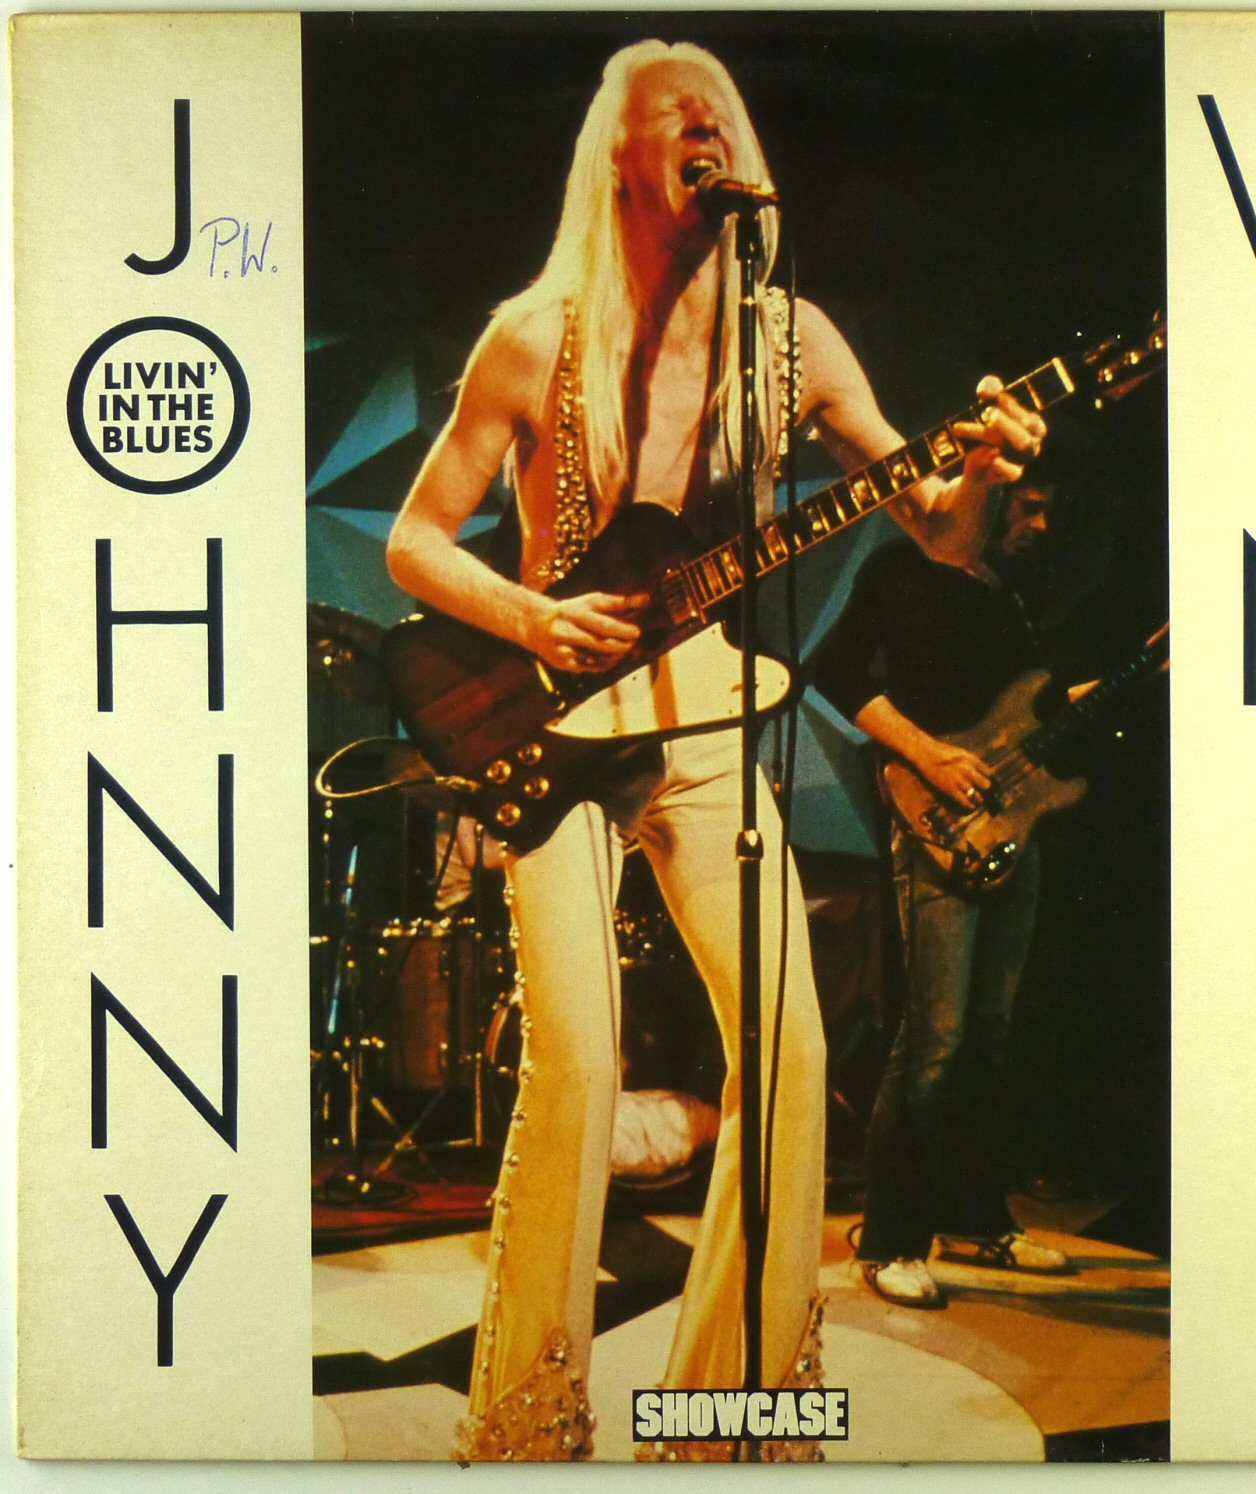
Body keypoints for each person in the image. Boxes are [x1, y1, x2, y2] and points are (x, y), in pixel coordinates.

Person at [386, 38, 1044, 1459]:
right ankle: (527, 1420)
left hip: (702, 726)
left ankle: (729, 1410)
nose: (705, 127)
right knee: (576, 1067)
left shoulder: (793, 341)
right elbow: (414, 540)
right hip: (553, 736)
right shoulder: (536, 335)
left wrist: (982, 476)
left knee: (791, 1053)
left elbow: (932, 525)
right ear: (616, 158)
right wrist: (529, 613)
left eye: (720, 112)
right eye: (672, 115)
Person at [812, 480, 1071, 1310]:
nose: (1041, 525)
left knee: (988, 1036)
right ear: (987, 499)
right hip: (934, 822)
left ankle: (974, 1219)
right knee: (936, 1037)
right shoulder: (901, 569)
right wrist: (928, 756)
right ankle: (890, 1239)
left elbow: (1026, 710)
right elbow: (832, 670)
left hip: (1012, 823)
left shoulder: (1014, 590)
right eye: (1028, 507)